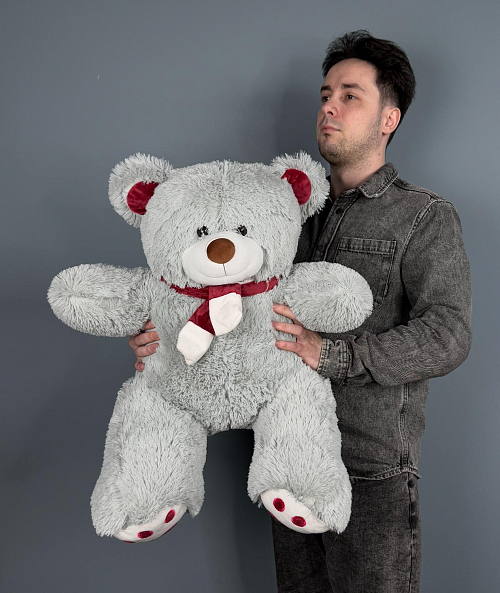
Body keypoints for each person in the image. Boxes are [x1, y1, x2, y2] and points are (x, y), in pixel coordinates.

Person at [129, 30, 472, 593]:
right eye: (325, 95)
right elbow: (225, 302)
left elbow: (448, 335)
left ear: (389, 118)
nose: (329, 108)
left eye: (350, 96)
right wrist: (163, 337)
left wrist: (331, 355)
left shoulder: (423, 217)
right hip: (284, 461)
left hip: (371, 467)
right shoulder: (283, 216)